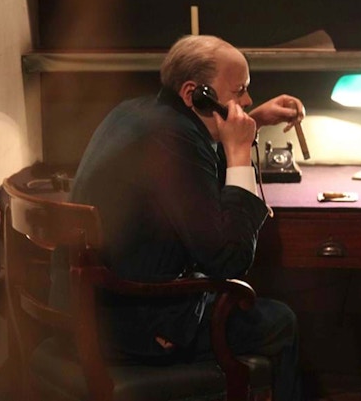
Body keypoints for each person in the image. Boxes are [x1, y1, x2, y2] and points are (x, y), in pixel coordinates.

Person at [50, 34, 305, 401]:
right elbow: (229, 259)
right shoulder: (174, 140)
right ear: (194, 94)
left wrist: (252, 121)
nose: (248, 100)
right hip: (138, 328)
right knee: (281, 322)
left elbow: (192, 175)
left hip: (90, 312)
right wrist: (239, 156)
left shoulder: (138, 113)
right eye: (239, 91)